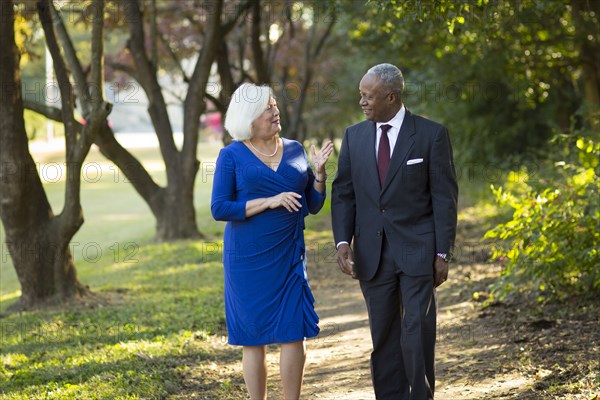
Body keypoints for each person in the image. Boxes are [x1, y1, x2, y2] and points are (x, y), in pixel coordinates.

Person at [331, 63, 458, 399]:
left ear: (391, 96)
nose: (362, 102)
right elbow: (344, 191)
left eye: (368, 96)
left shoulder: (431, 134)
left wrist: (443, 252)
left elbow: (445, 197)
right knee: (384, 336)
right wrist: (343, 241)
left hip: (418, 251)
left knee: (416, 332)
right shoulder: (353, 137)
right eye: (360, 95)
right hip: (372, 255)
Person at [211, 83, 334, 400]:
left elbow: (312, 203)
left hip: (288, 255)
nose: (275, 111)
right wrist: (269, 201)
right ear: (249, 117)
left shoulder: (295, 150)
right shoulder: (231, 155)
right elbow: (220, 208)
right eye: (267, 108)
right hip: (248, 259)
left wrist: (319, 174)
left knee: (294, 332)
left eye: (275, 105)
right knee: (254, 339)